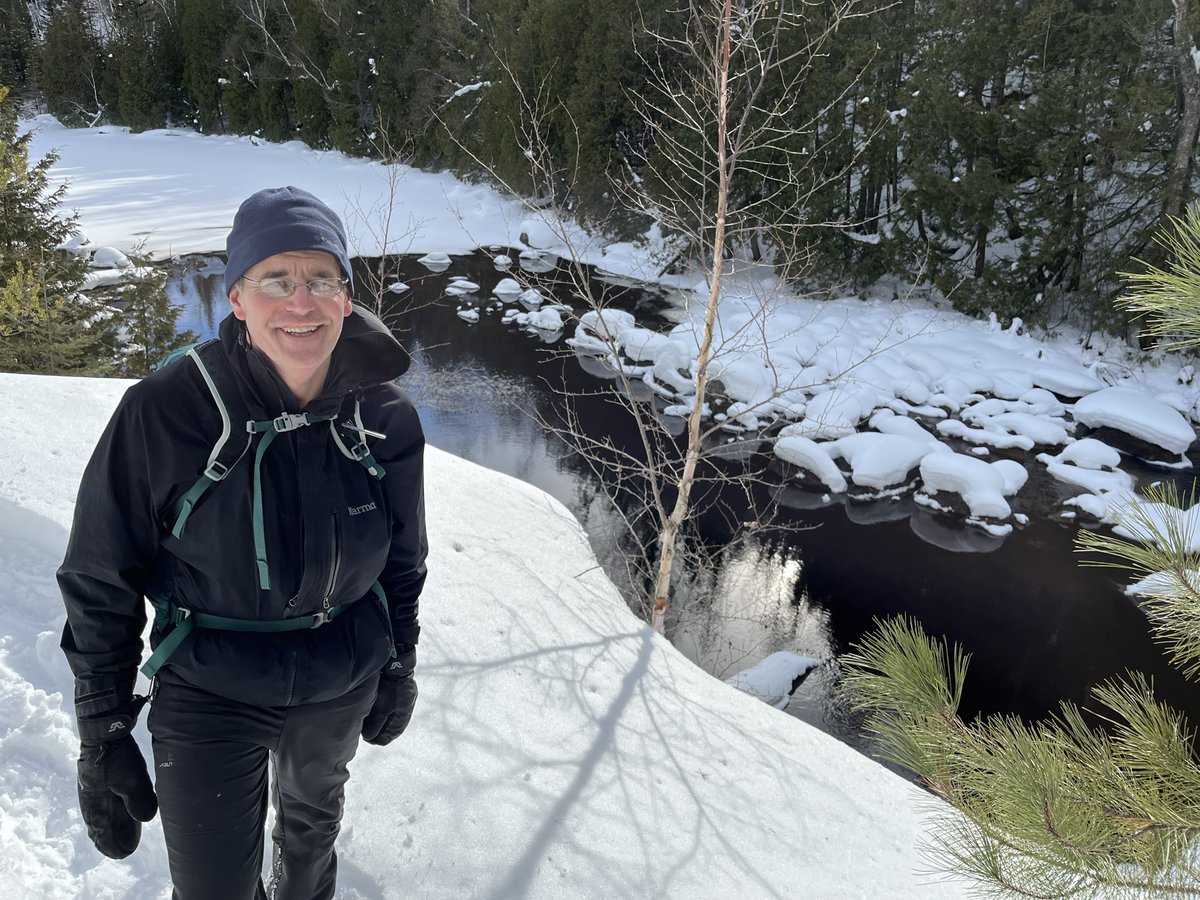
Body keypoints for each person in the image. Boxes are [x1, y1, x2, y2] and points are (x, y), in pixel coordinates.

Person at [58, 186, 427, 900]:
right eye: (275, 280)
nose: (301, 303)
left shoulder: (384, 416)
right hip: (208, 688)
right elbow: (101, 571)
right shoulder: (166, 410)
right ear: (236, 298)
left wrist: (399, 660)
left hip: (339, 680)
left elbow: (404, 560)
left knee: (309, 846)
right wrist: (101, 726)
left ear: (346, 299)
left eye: (322, 280)